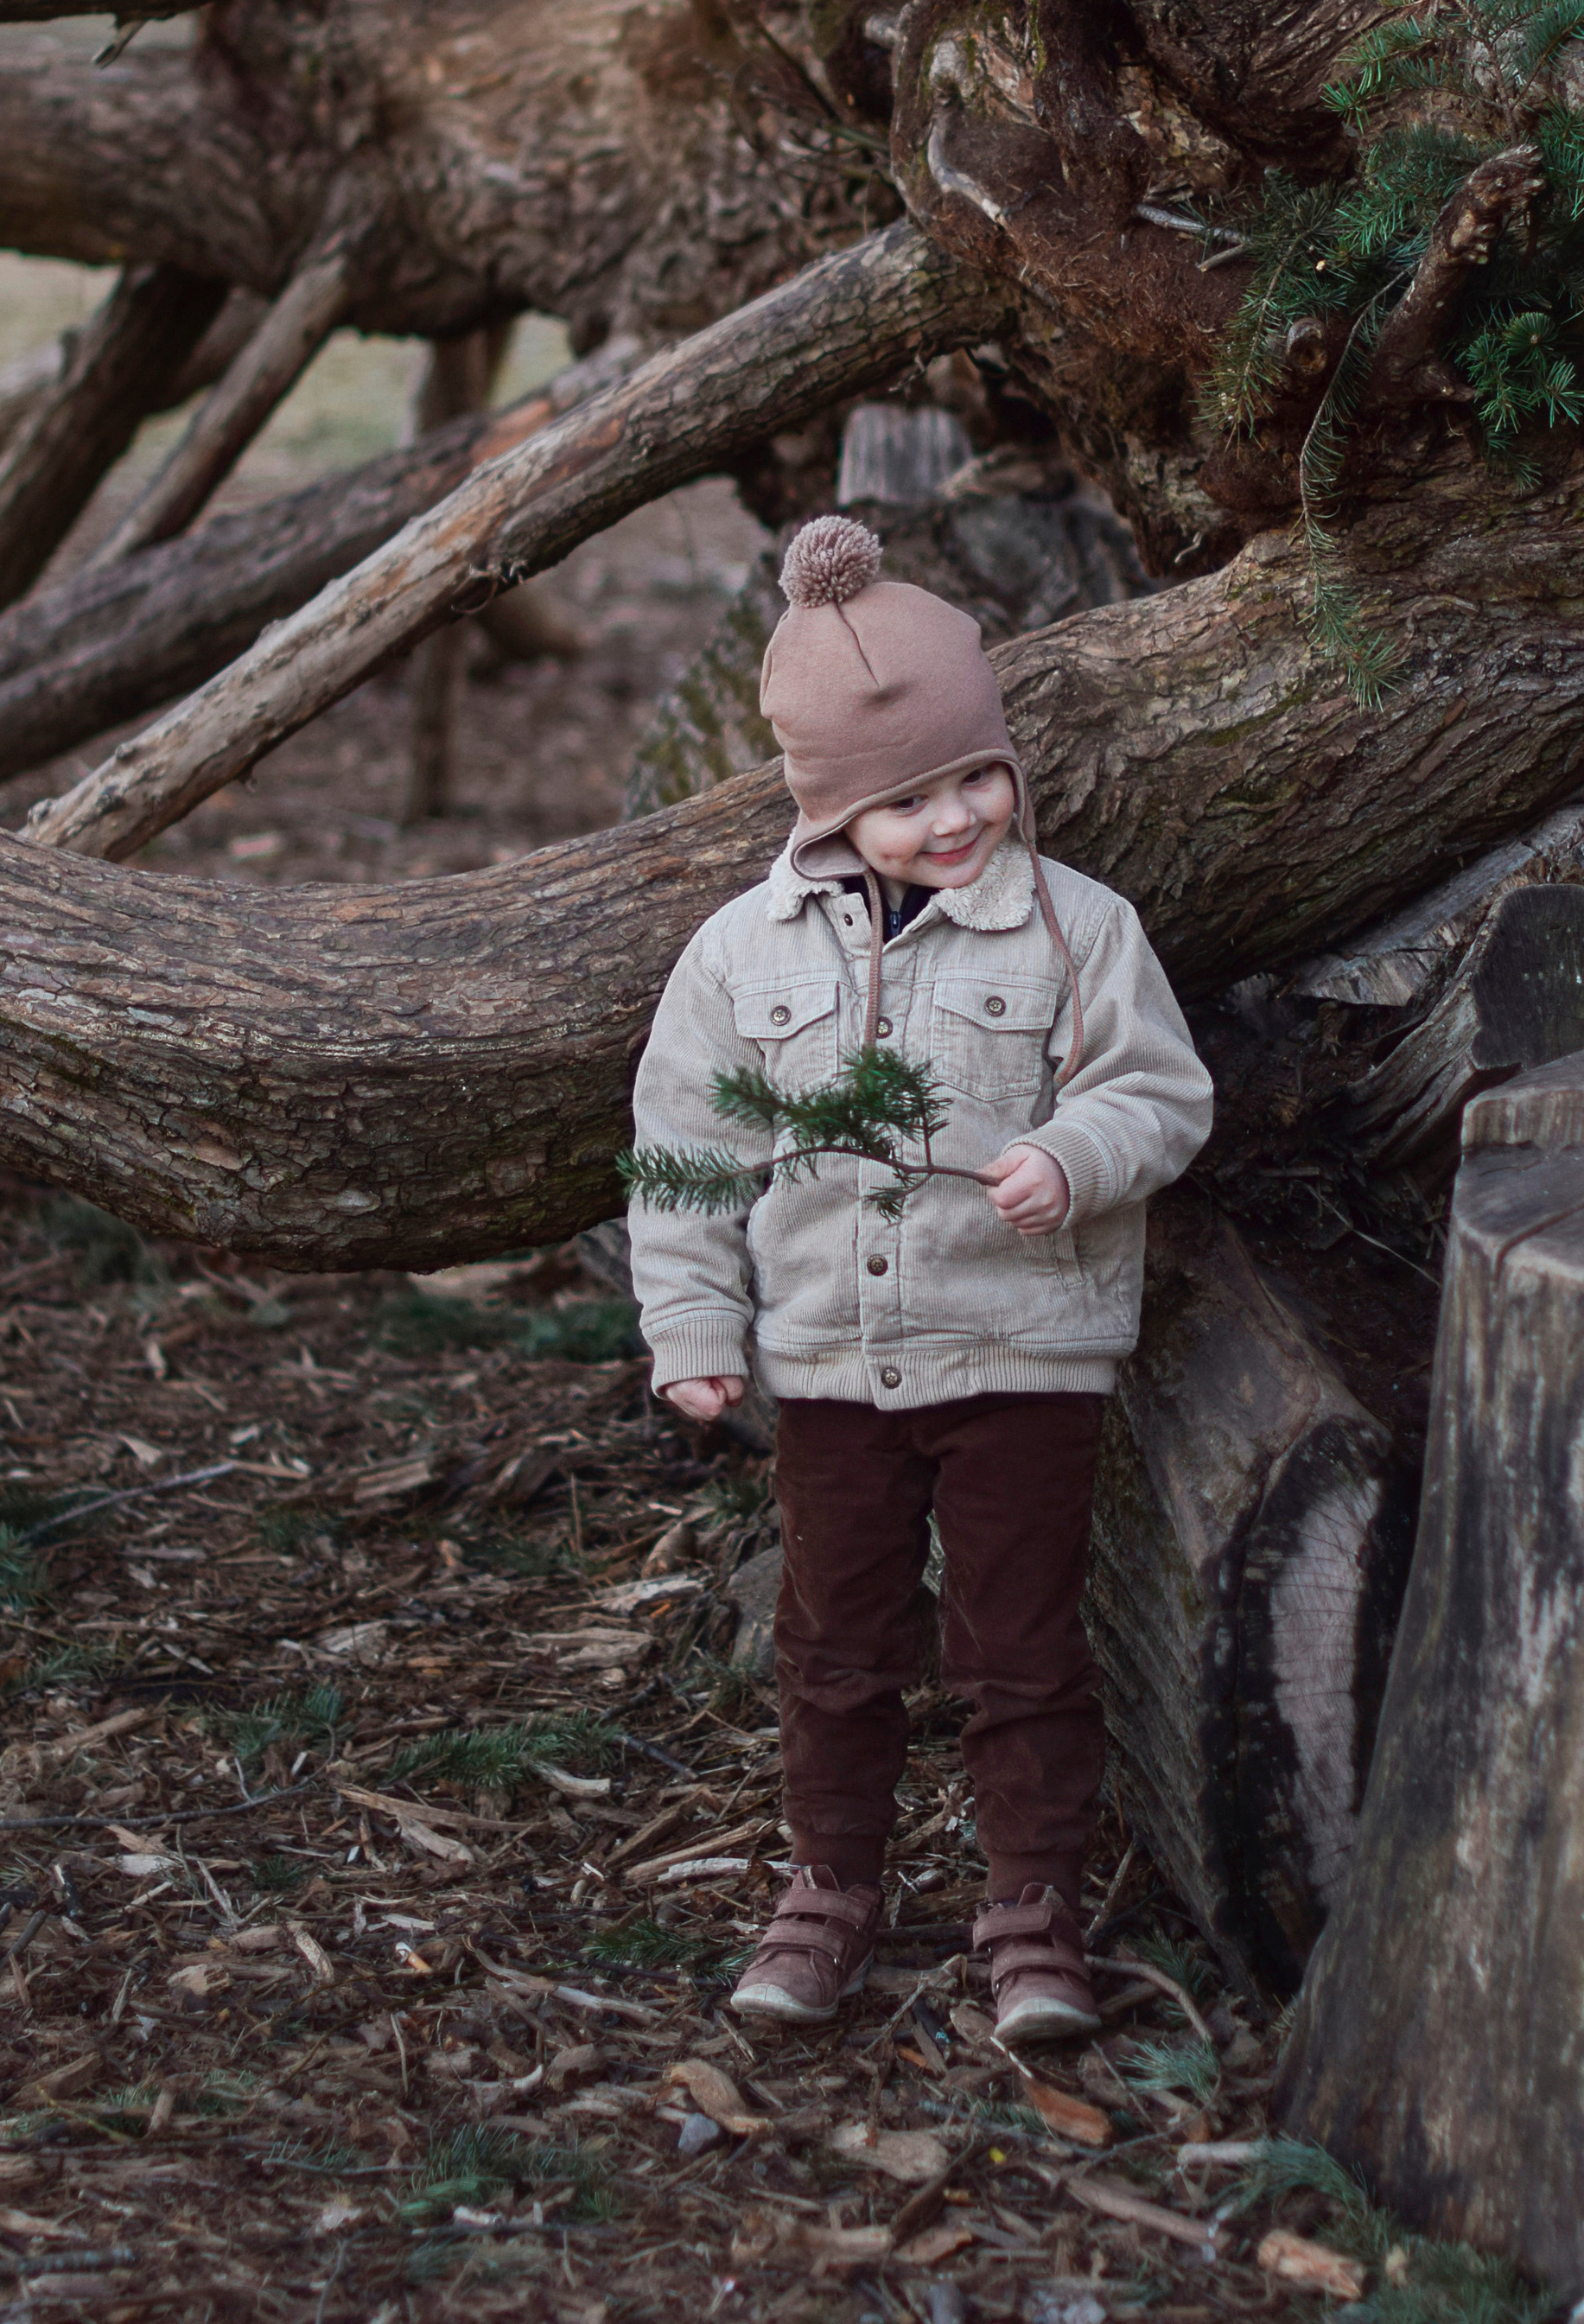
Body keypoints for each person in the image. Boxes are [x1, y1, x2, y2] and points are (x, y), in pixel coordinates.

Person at [625, 513, 1212, 2045]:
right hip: (831, 1362)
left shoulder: (1081, 930)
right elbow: (685, 1150)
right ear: (829, 813)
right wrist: (695, 1322)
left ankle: (1032, 1910)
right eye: (905, 802)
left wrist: (1079, 1153)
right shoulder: (743, 958)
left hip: (1024, 1349)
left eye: (975, 778)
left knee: (1021, 1642)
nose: (953, 819)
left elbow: (1162, 1091)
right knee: (836, 1643)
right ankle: (829, 1886)